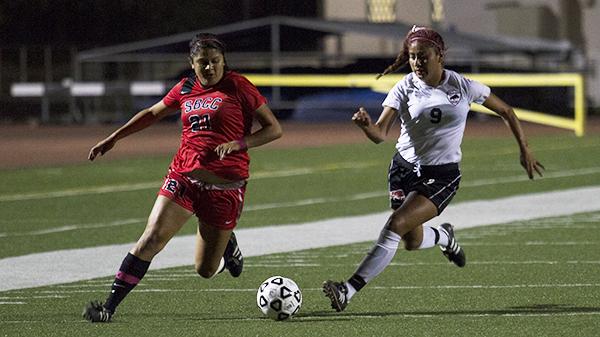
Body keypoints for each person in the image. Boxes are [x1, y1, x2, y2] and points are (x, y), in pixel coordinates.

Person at [322, 25, 544, 312]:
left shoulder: (463, 86)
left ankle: (347, 289)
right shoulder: (404, 87)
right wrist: (367, 126)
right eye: (413, 57)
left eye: (423, 56)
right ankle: (444, 236)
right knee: (411, 241)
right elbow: (380, 135)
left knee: (395, 225)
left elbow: (507, 111)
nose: (417, 63)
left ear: (439, 55)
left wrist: (524, 148)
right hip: (402, 169)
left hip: (441, 175)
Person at [83, 33, 282, 322]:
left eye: (216, 62)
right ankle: (108, 307)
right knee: (150, 238)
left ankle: (229, 244)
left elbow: (274, 128)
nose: (210, 68)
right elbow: (153, 112)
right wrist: (115, 137)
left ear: (224, 62)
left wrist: (239, 143)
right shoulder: (186, 87)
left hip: (225, 187)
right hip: (184, 177)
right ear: (192, 63)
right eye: (203, 62)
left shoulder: (238, 85)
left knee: (205, 270)